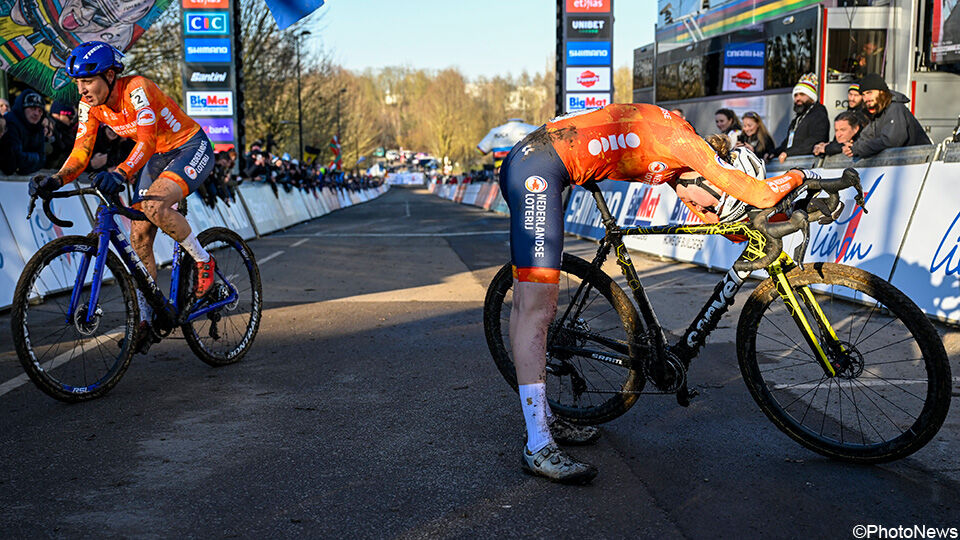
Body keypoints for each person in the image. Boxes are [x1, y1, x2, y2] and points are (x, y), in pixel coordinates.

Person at [499, 103, 818, 484]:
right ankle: (537, 444)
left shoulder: (682, 162)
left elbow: (736, 224)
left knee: (529, 306)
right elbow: (760, 195)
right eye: (715, 205)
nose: (707, 215)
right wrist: (807, 175)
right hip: (538, 169)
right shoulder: (684, 144)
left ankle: (545, 419)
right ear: (713, 180)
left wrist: (774, 218)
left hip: (540, 157)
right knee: (535, 310)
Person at [28, 41, 217, 350]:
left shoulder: (137, 89)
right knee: (139, 234)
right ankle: (146, 320)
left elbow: (145, 138)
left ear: (111, 75)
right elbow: (81, 151)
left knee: (154, 208)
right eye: (78, 82)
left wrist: (120, 172)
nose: (82, 90)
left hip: (188, 147)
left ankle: (203, 260)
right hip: (155, 157)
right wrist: (56, 179)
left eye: (88, 81)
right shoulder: (89, 105)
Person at [845, 73, 931, 158]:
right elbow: (868, 136)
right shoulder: (878, 113)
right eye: (863, 95)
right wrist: (852, 147)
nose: (866, 98)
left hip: (919, 162)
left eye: (869, 93)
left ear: (881, 92)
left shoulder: (895, 108)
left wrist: (859, 149)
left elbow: (891, 140)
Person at [773, 73, 829, 162]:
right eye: (795, 95)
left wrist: (789, 153)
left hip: (810, 164)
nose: (798, 98)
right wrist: (773, 153)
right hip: (795, 162)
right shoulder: (798, 118)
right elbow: (788, 143)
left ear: (811, 97)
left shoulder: (819, 113)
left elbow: (815, 140)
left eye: (802, 94)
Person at [0, 89, 47, 175]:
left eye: (40, 111)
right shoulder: (10, 123)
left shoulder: (39, 127)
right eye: (33, 108)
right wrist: (35, 157)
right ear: (22, 108)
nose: (36, 113)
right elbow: (13, 159)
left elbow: (42, 160)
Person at [46, 100, 77, 168]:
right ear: (58, 115)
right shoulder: (48, 129)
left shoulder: (65, 131)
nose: (71, 121)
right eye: (70, 117)